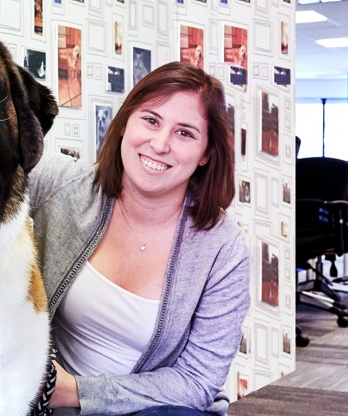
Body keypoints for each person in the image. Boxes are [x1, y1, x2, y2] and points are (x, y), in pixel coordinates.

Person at [28, 61, 250, 416]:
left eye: (185, 133)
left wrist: (75, 391)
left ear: (206, 153)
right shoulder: (59, 186)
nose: (160, 144)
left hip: (158, 407)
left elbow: (197, 381)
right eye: (151, 120)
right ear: (124, 124)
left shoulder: (223, 248)